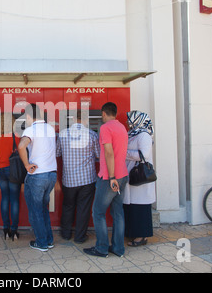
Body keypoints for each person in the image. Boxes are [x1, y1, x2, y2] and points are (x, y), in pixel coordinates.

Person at [84, 102, 128, 258]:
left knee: (98, 212)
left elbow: (109, 153)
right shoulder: (121, 127)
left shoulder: (105, 128)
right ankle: (118, 248)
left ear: (103, 113)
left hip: (110, 177)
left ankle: (102, 248)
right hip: (123, 175)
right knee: (118, 212)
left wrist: (111, 177)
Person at [18, 103, 57, 252]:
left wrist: (27, 165)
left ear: (28, 116)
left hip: (37, 176)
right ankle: (49, 240)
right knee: (43, 209)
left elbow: (21, 146)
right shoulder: (50, 128)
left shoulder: (30, 129)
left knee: (36, 210)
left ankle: (41, 243)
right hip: (51, 174)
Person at [56, 110, 99, 243]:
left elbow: (57, 153)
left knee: (68, 206)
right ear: (86, 120)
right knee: (83, 208)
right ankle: (80, 237)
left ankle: (66, 234)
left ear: (73, 119)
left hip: (68, 179)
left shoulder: (62, 134)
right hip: (87, 179)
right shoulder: (92, 134)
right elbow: (98, 155)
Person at [123, 110, 156, 247]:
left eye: (129, 120)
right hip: (131, 174)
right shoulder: (133, 134)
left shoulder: (144, 135)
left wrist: (124, 153)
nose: (127, 122)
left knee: (140, 208)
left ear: (137, 121)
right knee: (132, 207)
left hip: (140, 176)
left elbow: (144, 155)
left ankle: (141, 237)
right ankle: (132, 233)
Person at [0, 113, 21, 241]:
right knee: (14, 199)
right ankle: (13, 231)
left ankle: (5, 229)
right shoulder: (16, 137)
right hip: (13, 170)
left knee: (5, 198)